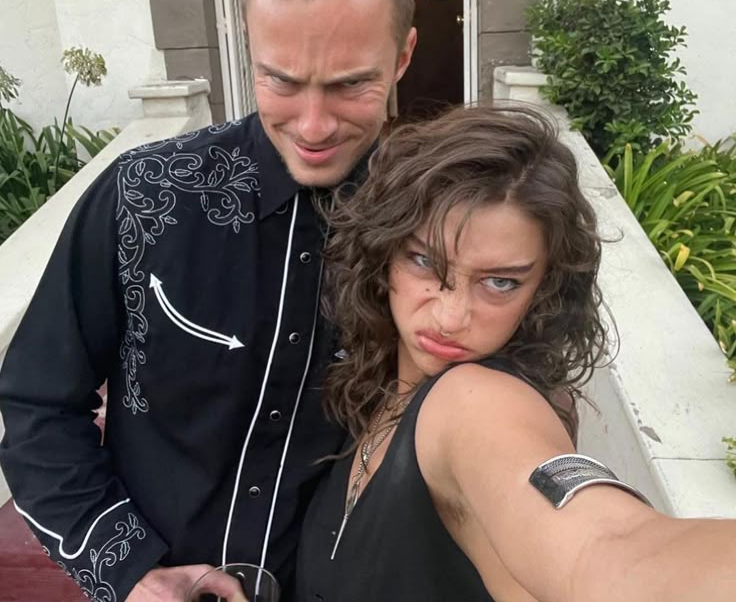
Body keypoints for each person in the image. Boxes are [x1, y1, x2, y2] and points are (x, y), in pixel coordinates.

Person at [0, 0, 416, 602]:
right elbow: (38, 402)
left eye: (351, 85)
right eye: (281, 80)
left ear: (404, 55)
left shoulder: (433, 223)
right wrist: (127, 570)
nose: (313, 124)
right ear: (245, 41)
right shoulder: (141, 197)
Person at [296, 105, 736, 602]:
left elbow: (609, 549)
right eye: (423, 261)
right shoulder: (376, 388)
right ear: (384, 253)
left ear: (543, 289)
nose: (451, 316)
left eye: (500, 282)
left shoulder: (475, 403)